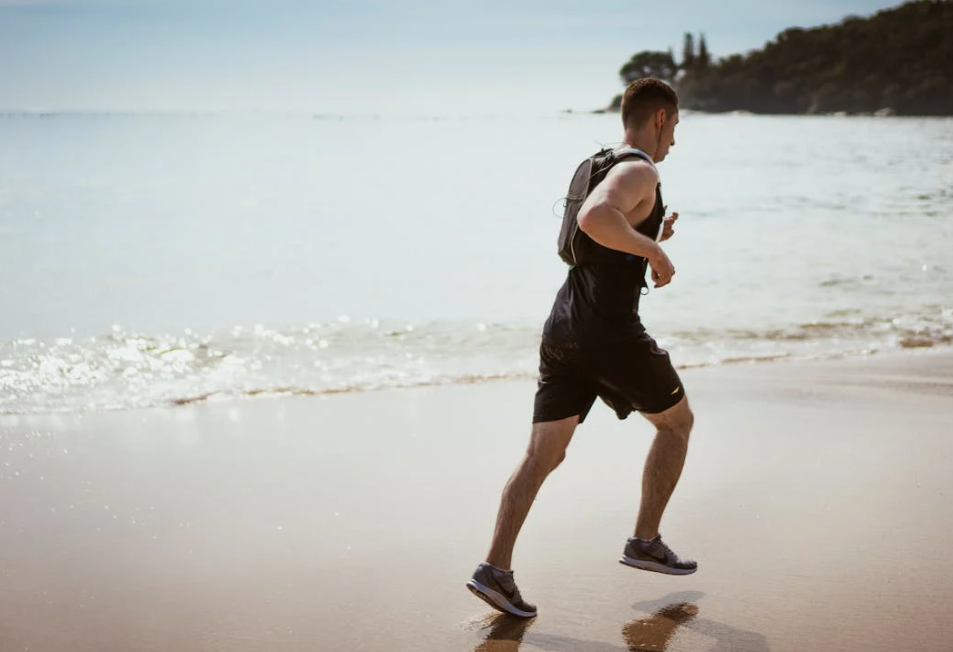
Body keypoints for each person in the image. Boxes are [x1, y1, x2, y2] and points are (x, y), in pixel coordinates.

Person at [466, 78, 696, 618]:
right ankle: (645, 540)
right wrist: (654, 253)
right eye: (675, 127)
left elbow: (590, 240)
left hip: (563, 328)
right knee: (677, 424)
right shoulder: (640, 170)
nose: (675, 140)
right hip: (607, 333)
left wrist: (647, 235)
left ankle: (494, 569)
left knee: (542, 455)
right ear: (660, 118)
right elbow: (595, 219)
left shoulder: (596, 163)